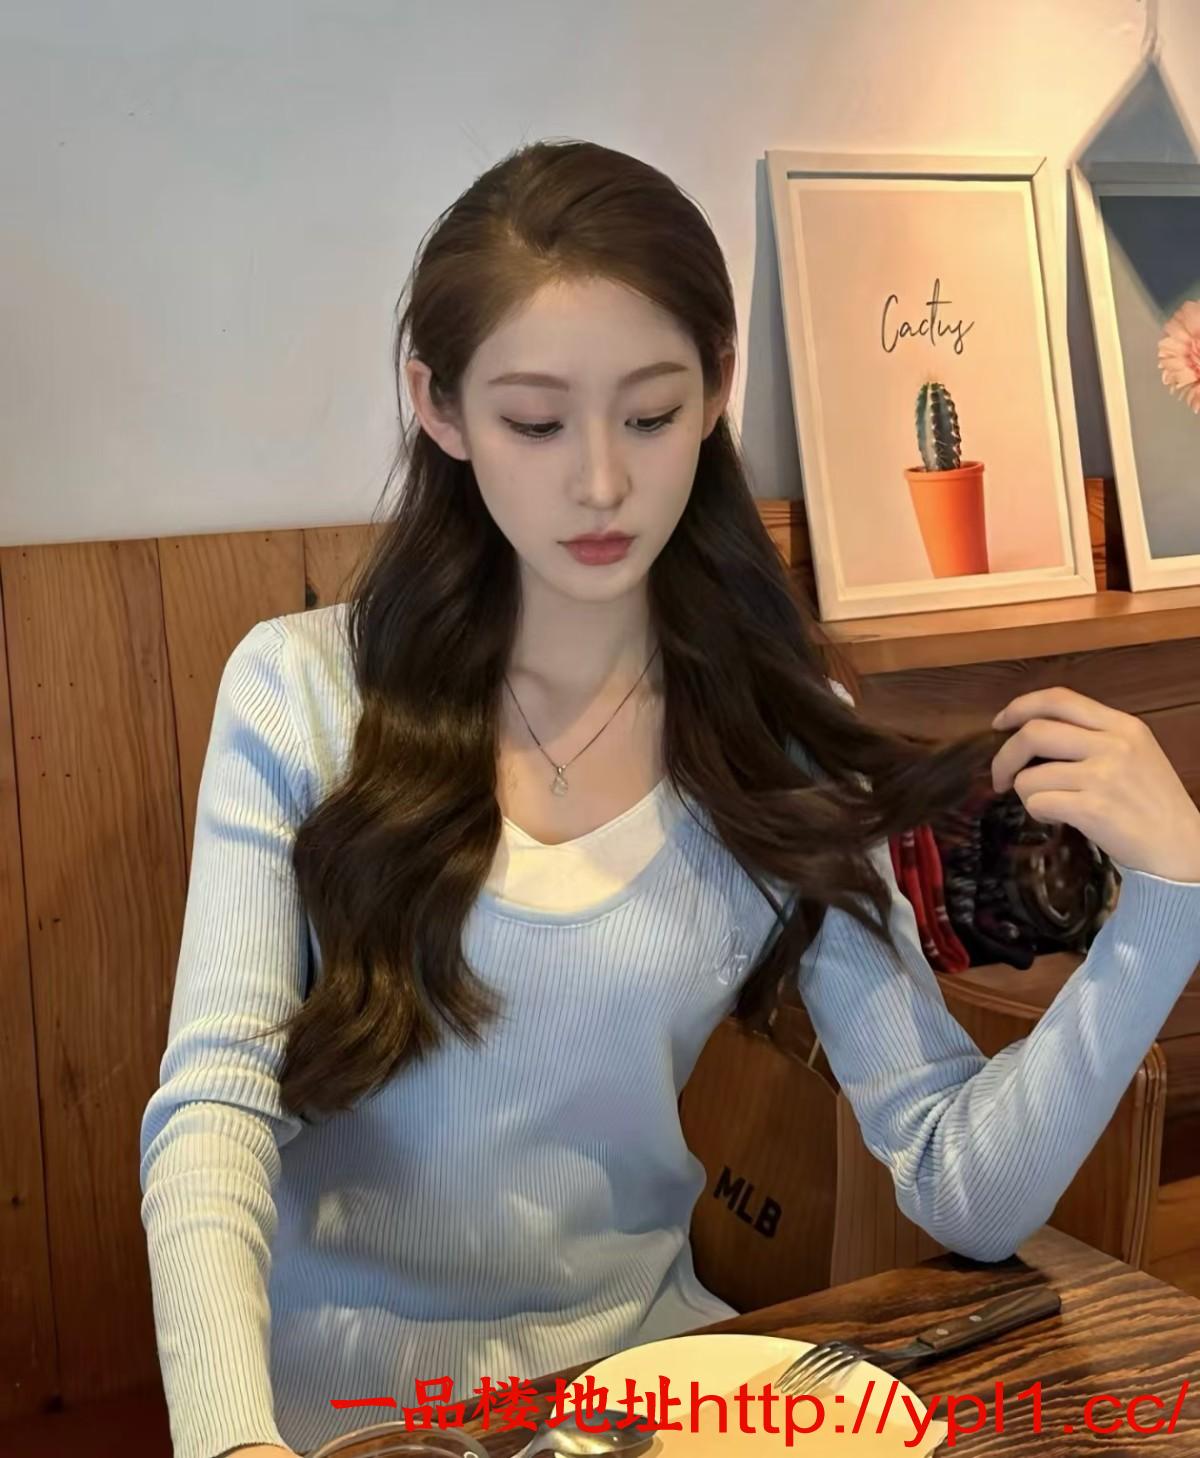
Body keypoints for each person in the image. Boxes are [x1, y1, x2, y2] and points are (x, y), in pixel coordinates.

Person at [138, 139, 1200, 1458]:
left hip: (649, 1403)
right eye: (536, 422)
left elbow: (961, 1180)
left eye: (648, 415)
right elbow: (215, 1105)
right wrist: (233, 1443)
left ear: (715, 390)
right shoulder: (298, 696)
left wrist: (1172, 903)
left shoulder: (772, 734)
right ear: (439, 404)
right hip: (345, 1429)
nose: (600, 481)